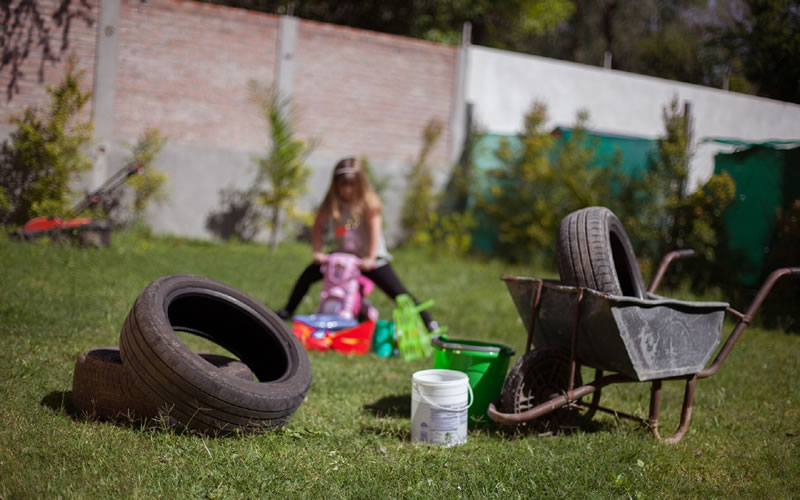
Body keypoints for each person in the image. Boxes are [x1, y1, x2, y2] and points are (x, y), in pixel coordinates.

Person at [276, 157, 438, 331]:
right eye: (342, 184)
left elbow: (376, 230)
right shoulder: (332, 201)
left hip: (371, 257)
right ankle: (288, 310)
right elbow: (318, 226)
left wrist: (370, 257)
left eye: (351, 184)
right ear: (335, 184)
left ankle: (429, 322)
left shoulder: (368, 201)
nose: (347, 189)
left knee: (397, 292)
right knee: (308, 275)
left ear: (360, 183)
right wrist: (318, 251)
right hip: (343, 257)